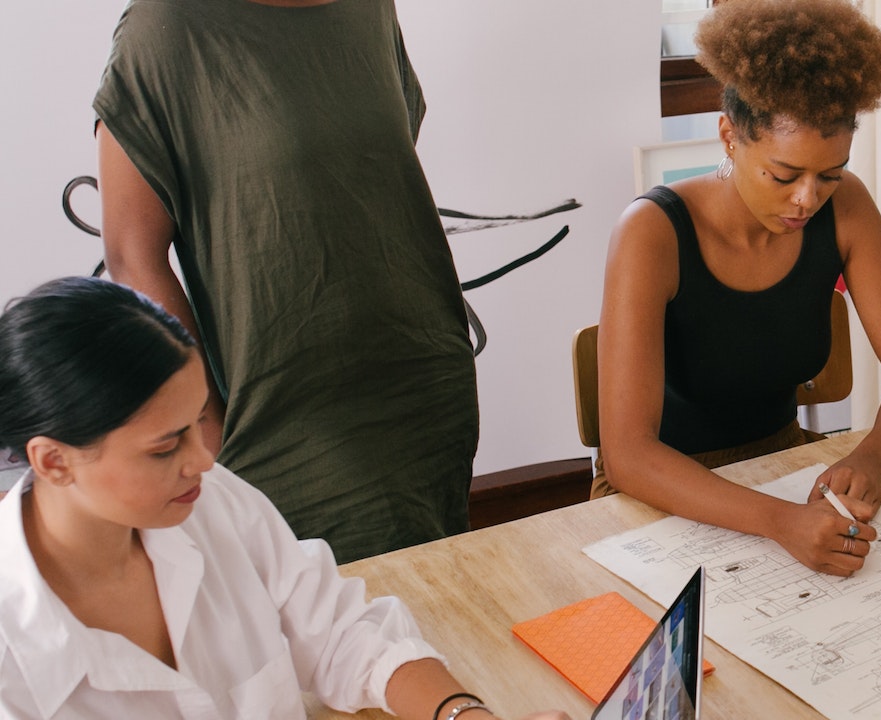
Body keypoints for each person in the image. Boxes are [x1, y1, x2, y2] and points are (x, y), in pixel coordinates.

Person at [0, 277, 565, 720]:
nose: (202, 460)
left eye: (199, 423)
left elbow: (344, 636)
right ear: (54, 461)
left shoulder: (210, 503)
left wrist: (462, 715)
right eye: (165, 447)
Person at [94, 0, 477, 562]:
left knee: (437, 624)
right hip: (285, 421)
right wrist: (201, 422)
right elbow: (132, 256)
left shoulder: (371, 8)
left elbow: (366, 182)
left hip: (426, 392)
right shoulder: (166, 28)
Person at [596, 0, 881, 578]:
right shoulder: (651, 233)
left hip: (783, 466)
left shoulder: (847, 207)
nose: (808, 198)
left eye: (829, 175)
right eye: (784, 175)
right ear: (729, 137)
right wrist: (779, 521)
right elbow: (629, 456)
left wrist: (870, 458)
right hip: (661, 495)